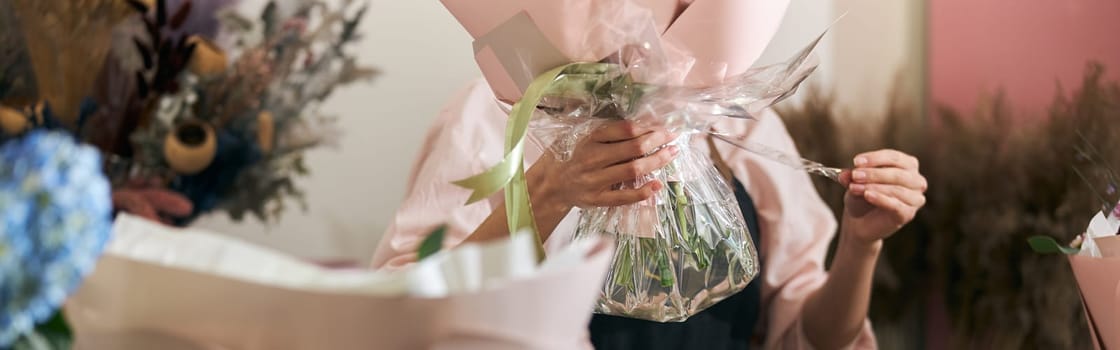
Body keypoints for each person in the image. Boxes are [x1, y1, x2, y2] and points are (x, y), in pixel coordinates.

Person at [373, 3, 928, 350]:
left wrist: (860, 245)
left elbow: (811, 337)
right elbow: (403, 314)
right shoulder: (493, 117)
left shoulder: (742, 122)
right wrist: (545, 193)